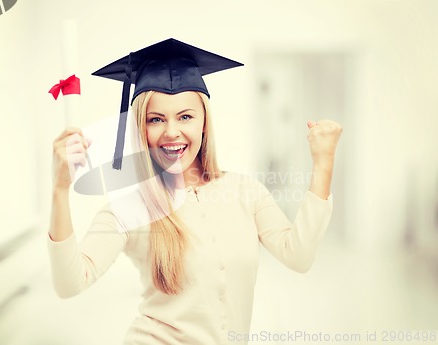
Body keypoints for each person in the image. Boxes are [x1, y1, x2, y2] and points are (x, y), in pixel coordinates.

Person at [47, 38, 343, 345]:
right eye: (156, 119)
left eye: (185, 116)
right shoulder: (131, 206)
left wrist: (323, 163)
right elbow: (69, 283)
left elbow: (299, 255)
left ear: (204, 122)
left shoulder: (244, 191)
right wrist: (60, 188)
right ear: (140, 128)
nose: (172, 132)